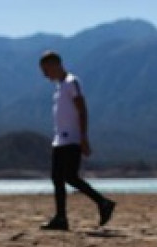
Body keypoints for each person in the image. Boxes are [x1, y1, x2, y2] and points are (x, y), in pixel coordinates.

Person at [38, 51, 116, 231]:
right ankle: (61, 218)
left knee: (69, 177)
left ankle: (103, 203)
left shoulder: (71, 82)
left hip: (71, 139)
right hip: (60, 139)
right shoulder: (59, 87)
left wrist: (83, 137)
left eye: (46, 70)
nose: (44, 75)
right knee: (58, 178)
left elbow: (82, 110)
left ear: (55, 65)